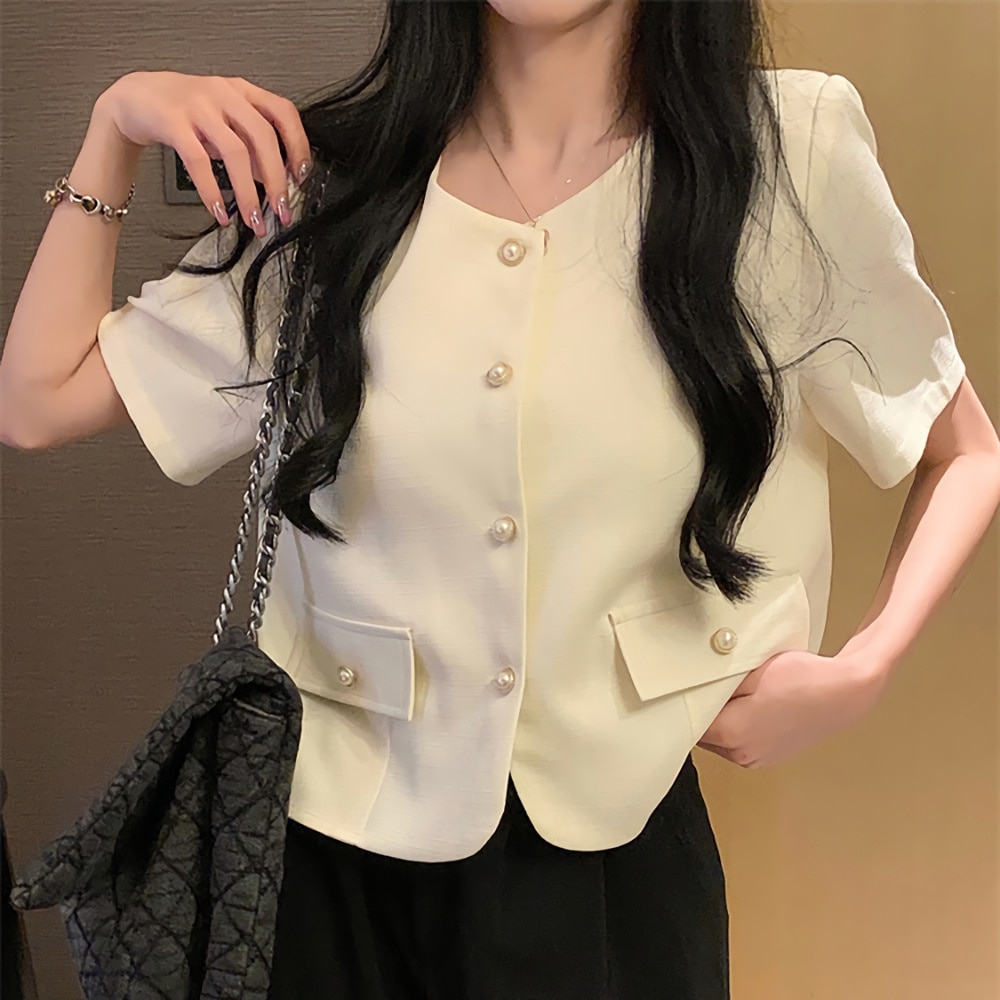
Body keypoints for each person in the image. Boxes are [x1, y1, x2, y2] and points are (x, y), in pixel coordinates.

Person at [2, 1, 999, 997]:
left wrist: (863, 669)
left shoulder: (784, 155)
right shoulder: (339, 183)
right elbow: (37, 400)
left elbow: (964, 452)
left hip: (608, 852)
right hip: (317, 852)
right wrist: (115, 128)